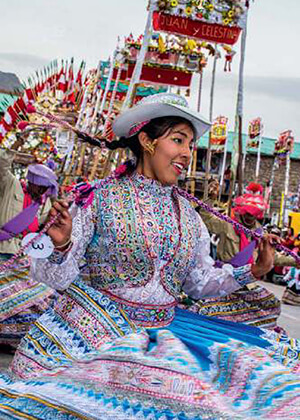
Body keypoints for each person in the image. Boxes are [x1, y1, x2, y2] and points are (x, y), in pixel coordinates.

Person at [0, 94, 300, 419]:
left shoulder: (189, 215)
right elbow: (53, 278)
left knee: (267, 385)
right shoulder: (97, 199)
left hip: (169, 329)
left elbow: (199, 284)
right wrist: (61, 247)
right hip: (97, 331)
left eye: (190, 144)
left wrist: (252, 271)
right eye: (178, 140)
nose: (187, 153)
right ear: (147, 140)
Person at [193, 181, 297, 330]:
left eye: (253, 215)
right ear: (242, 211)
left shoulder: (261, 234)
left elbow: (272, 258)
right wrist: (211, 198)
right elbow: (205, 218)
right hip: (225, 278)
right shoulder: (227, 224)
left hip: (247, 283)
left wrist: (295, 261)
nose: (250, 217)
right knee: (206, 313)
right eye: (248, 214)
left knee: (271, 305)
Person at [0, 149, 57, 348]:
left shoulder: (44, 203)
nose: (40, 192)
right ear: (30, 181)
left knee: (43, 298)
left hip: (22, 258)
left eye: (44, 189)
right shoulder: (11, 184)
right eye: (38, 186)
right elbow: (2, 165)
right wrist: (7, 145)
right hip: (2, 251)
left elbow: (42, 227)